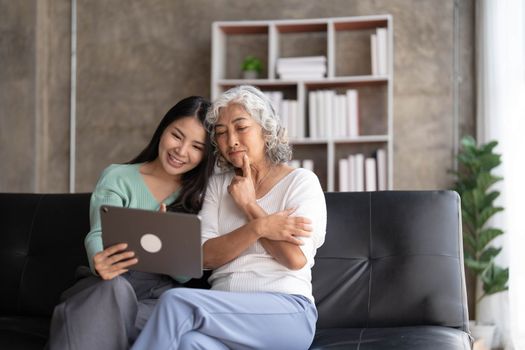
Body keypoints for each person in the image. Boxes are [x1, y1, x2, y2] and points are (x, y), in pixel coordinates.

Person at [131, 85, 327, 350]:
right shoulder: (217, 185)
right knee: (188, 343)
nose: (231, 140)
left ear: (266, 131)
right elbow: (204, 257)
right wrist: (260, 227)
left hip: (286, 312)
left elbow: (294, 259)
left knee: (175, 302)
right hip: (223, 316)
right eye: (221, 133)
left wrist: (249, 205)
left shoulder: (301, 182)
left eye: (241, 127)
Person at [48, 96, 215, 350]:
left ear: (205, 155)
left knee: (173, 319)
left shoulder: (202, 196)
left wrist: (167, 239)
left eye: (196, 146)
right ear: (163, 130)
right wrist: (100, 260)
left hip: (157, 297)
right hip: (107, 282)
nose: (181, 151)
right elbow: (98, 232)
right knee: (114, 291)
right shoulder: (119, 176)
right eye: (177, 136)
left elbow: (183, 275)